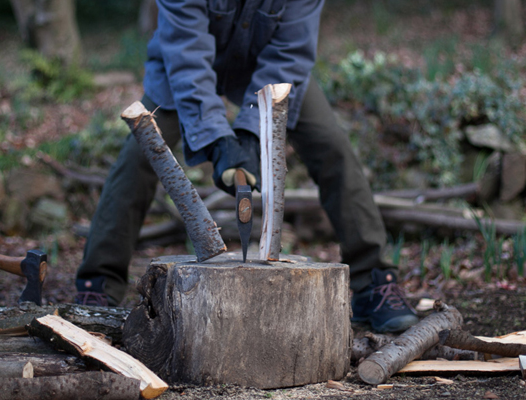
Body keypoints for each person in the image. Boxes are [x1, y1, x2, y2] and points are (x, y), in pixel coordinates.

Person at [75, 0, 419, 333]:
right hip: (183, 68)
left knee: (332, 147)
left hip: (271, 70)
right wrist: (219, 140)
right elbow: (187, 51)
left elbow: (290, 51)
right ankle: (97, 287)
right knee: (140, 154)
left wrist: (252, 134)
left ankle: (375, 282)